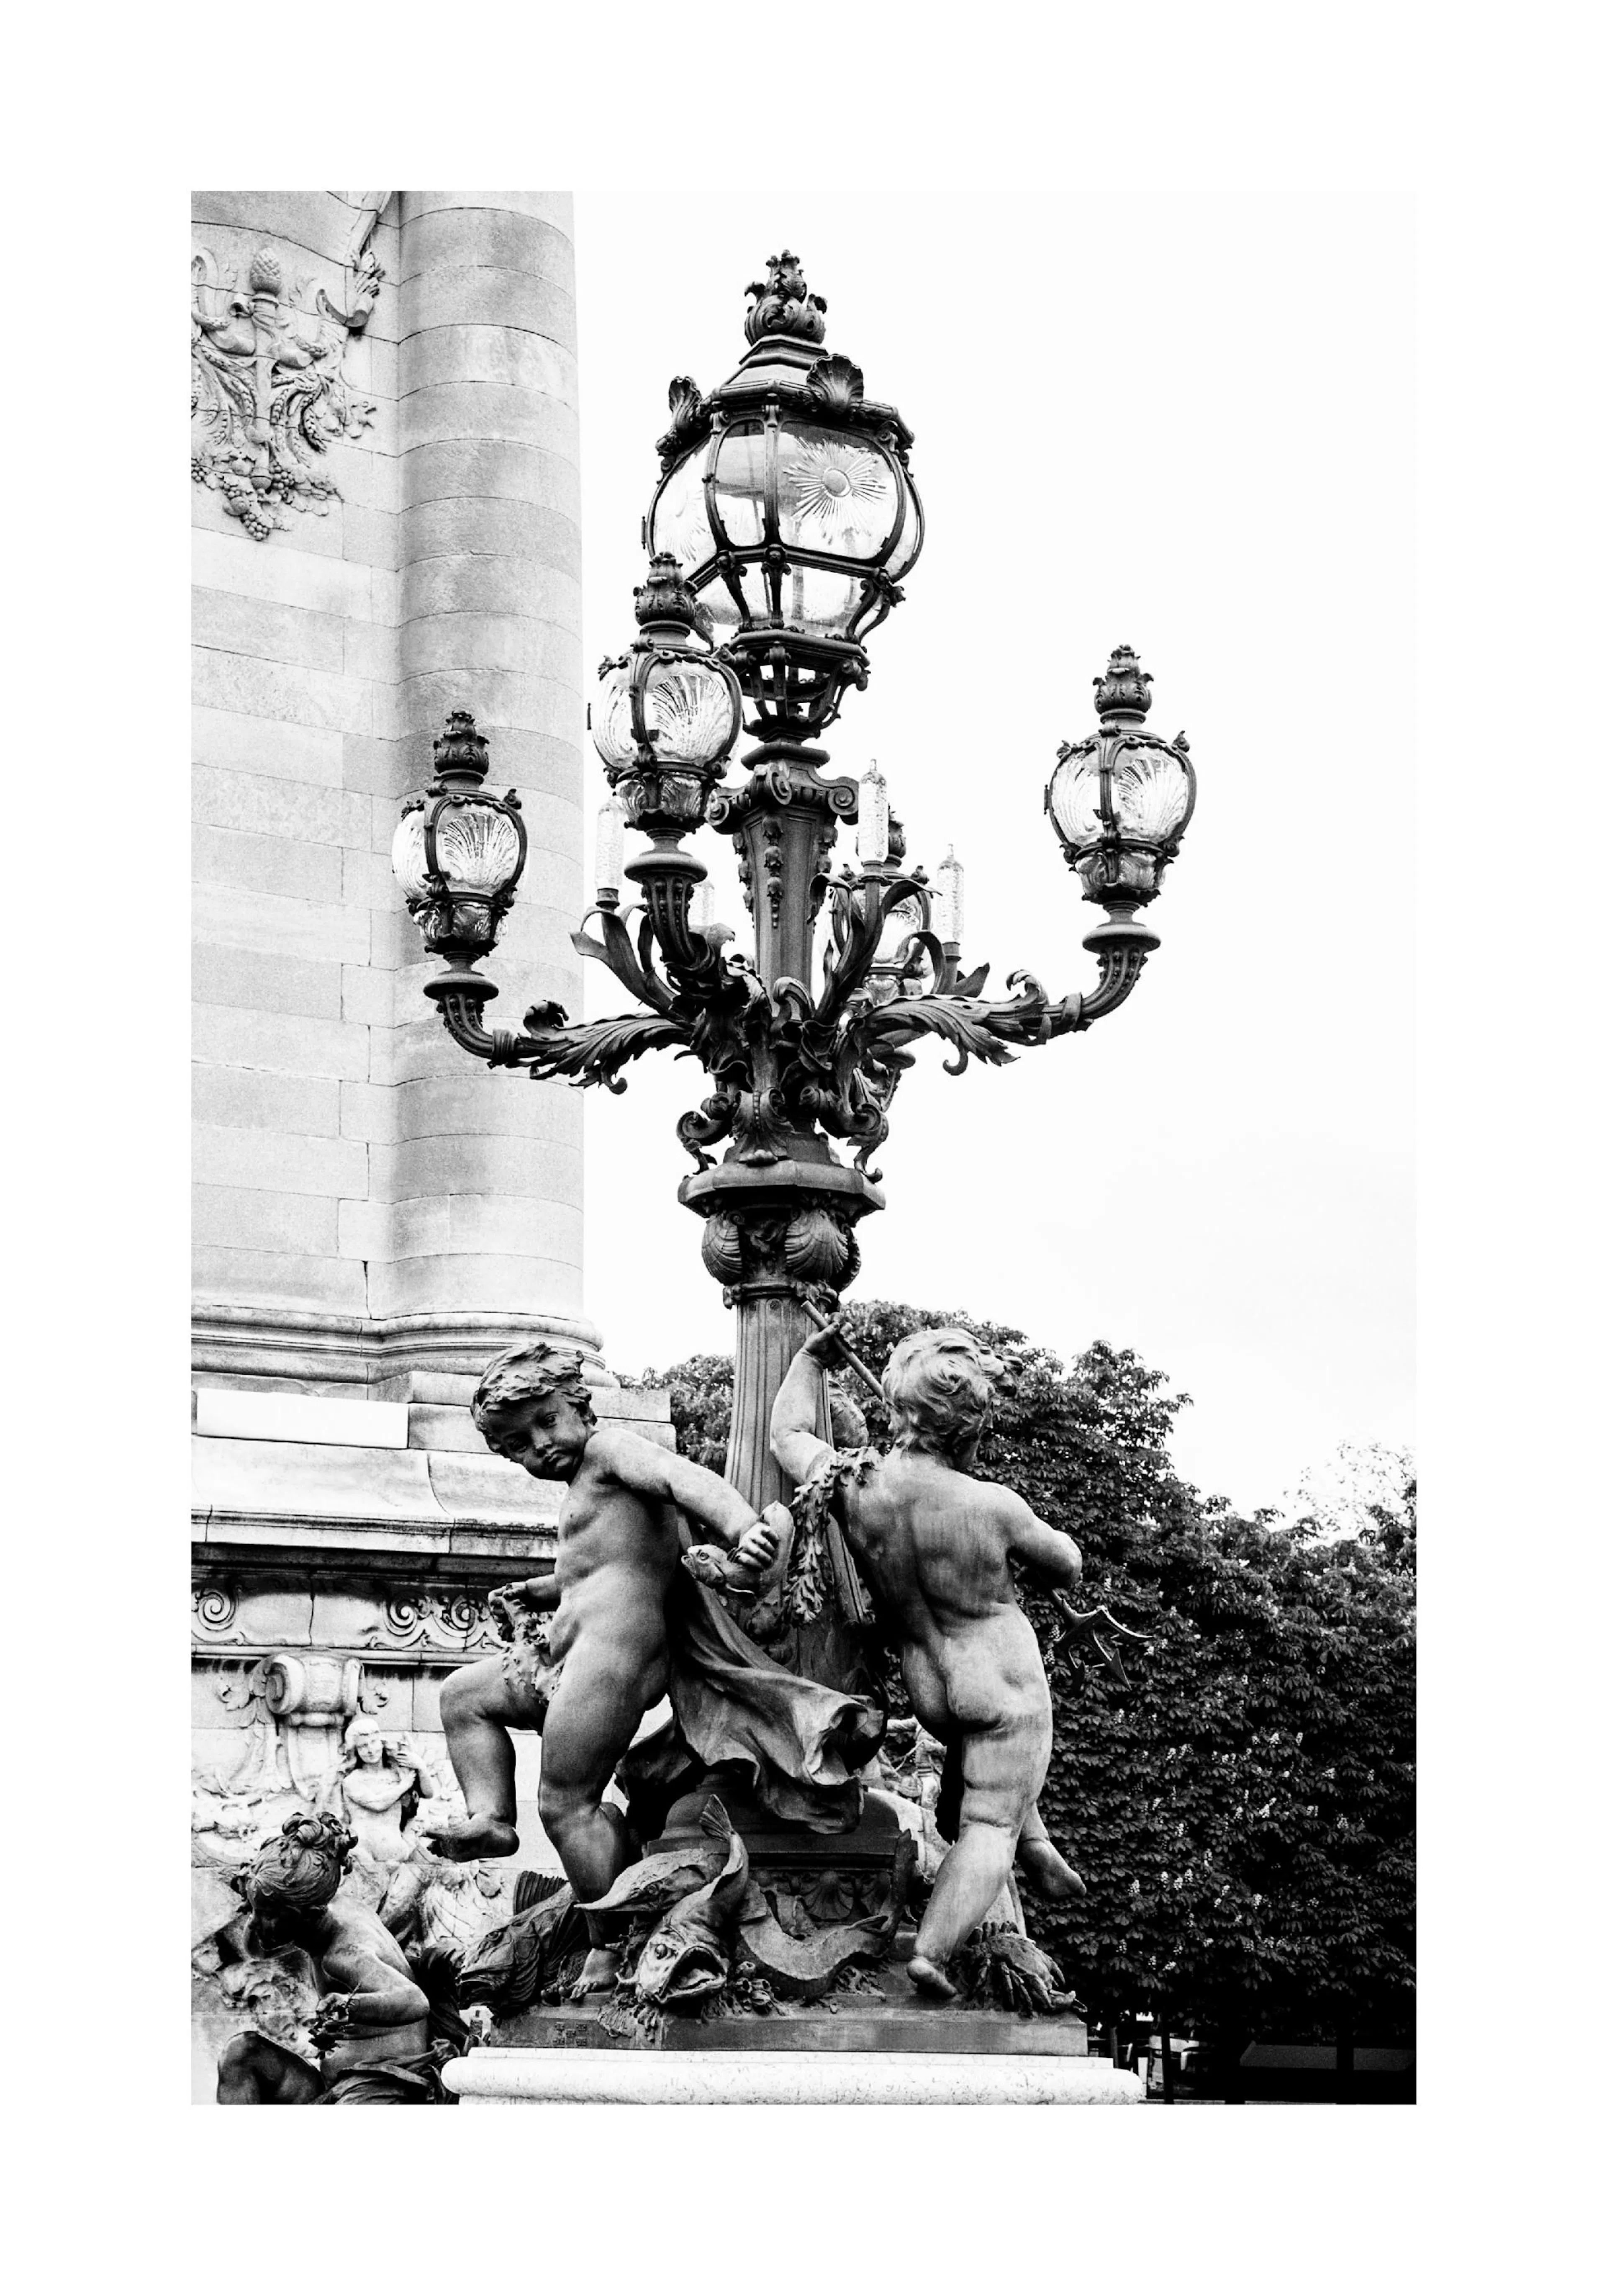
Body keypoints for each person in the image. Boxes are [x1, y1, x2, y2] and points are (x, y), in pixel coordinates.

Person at [425, 1342, 786, 1997]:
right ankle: (491, 1819)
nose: (540, 1446)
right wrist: (534, 1591)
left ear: (580, 1405)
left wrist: (742, 1526)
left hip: (614, 1658)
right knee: (463, 1696)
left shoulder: (613, 1451)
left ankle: (608, 1943)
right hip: (564, 1651)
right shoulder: (580, 1489)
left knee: (566, 1802)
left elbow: (684, 1479)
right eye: (518, 1445)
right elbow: (586, 1571)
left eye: (546, 1422)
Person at [771, 1322, 1086, 2000]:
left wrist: (809, 1359)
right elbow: (1067, 1565)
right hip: (1000, 1680)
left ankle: (1039, 1847)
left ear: (895, 1405)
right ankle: (935, 1952)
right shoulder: (991, 1504)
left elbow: (788, 1437)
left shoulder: (856, 1484)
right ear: (970, 1427)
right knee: (987, 1825)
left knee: (991, 1794)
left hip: (929, 1683)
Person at [216, 1813, 446, 2103]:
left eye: (269, 1915)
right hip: (334, 2080)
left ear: (308, 1916)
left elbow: (415, 2000)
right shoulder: (323, 1904)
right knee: (241, 2052)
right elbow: (257, 1950)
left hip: (378, 2085)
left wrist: (351, 2006)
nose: (257, 1922)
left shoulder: (343, 1955)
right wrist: (259, 1901)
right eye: (255, 1910)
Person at [318, 1717, 436, 1890]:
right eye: (363, 1746)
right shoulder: (353, 1780)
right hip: (364, 1857)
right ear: (356, 1751)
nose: (370, 1750)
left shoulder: (397, 1774)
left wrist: (421, 1767)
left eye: (373, 1742)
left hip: (398, 1854)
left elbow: (428, 1793)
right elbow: (378, 1803)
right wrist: (404, 1785)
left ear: (381, 1743)